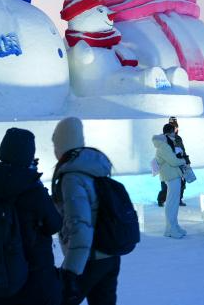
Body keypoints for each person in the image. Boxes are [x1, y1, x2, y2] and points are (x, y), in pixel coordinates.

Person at [0, 127, 61, 305]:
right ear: (29, 154)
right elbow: (54, 224)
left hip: (0, 276)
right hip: (35, 278)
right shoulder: (32, 188)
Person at [51, 116, 120, 304]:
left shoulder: (72, 178)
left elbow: (80, 227)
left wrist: (70, 273)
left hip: (88, 260)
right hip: (110, 257)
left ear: (62, 145)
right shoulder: (94, 168)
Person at [152, 124, 187, 239]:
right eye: (174, 131)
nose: (175, 133)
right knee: (172, 202)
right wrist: (183, 160)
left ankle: (174, 226)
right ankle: (170, 229)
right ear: (170, 132)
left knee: (174, 202)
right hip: (171, 176)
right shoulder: (164, 146)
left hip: (173, 175)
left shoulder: (167, 144)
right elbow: (173, 161)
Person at [156, 116, 188, 207]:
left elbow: (183, 150)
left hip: (179, 163)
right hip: (167, 165)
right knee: (165, 184)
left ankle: (179, 199)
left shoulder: (178, 138)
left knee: (182, 183)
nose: (175, 128)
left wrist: (186, 161)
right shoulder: (163, 139)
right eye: (173, 126)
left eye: (176, 126)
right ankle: (161, 199)